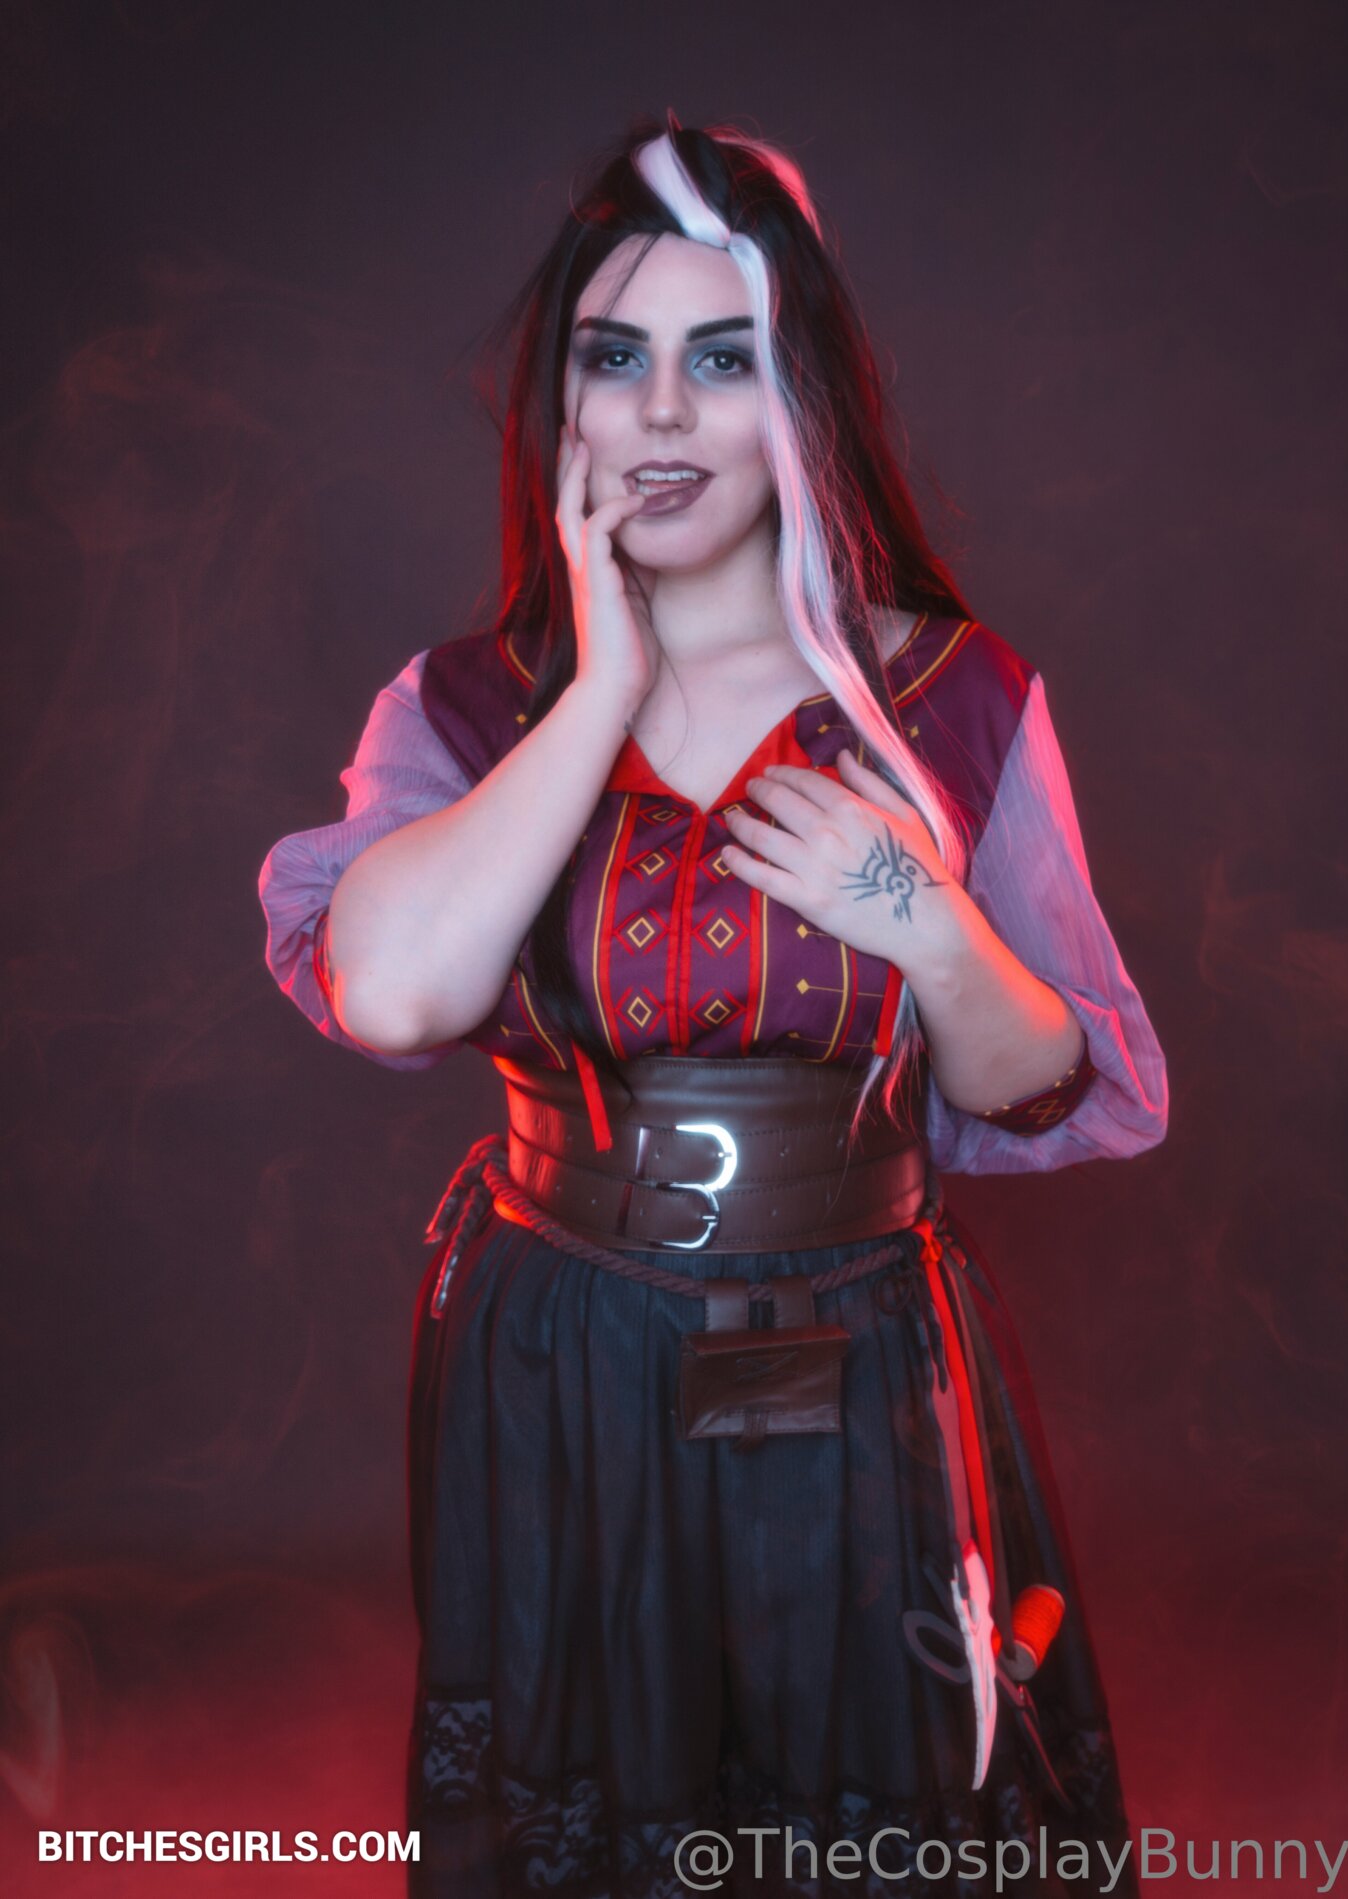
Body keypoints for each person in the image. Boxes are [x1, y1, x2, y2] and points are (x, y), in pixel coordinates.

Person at [258, 114, 1167, 1899]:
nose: (664, 412)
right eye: (616, 359)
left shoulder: (956, 695)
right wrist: (600, 686)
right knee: (587, 1797)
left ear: (797, 396)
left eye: (723, 358)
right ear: (565, 407)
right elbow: (393, 996)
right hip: (556, 1352)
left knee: (871, 1796)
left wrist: (918, 921)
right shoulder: (465, 704)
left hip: (861, 1349)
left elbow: (1045, 1081)